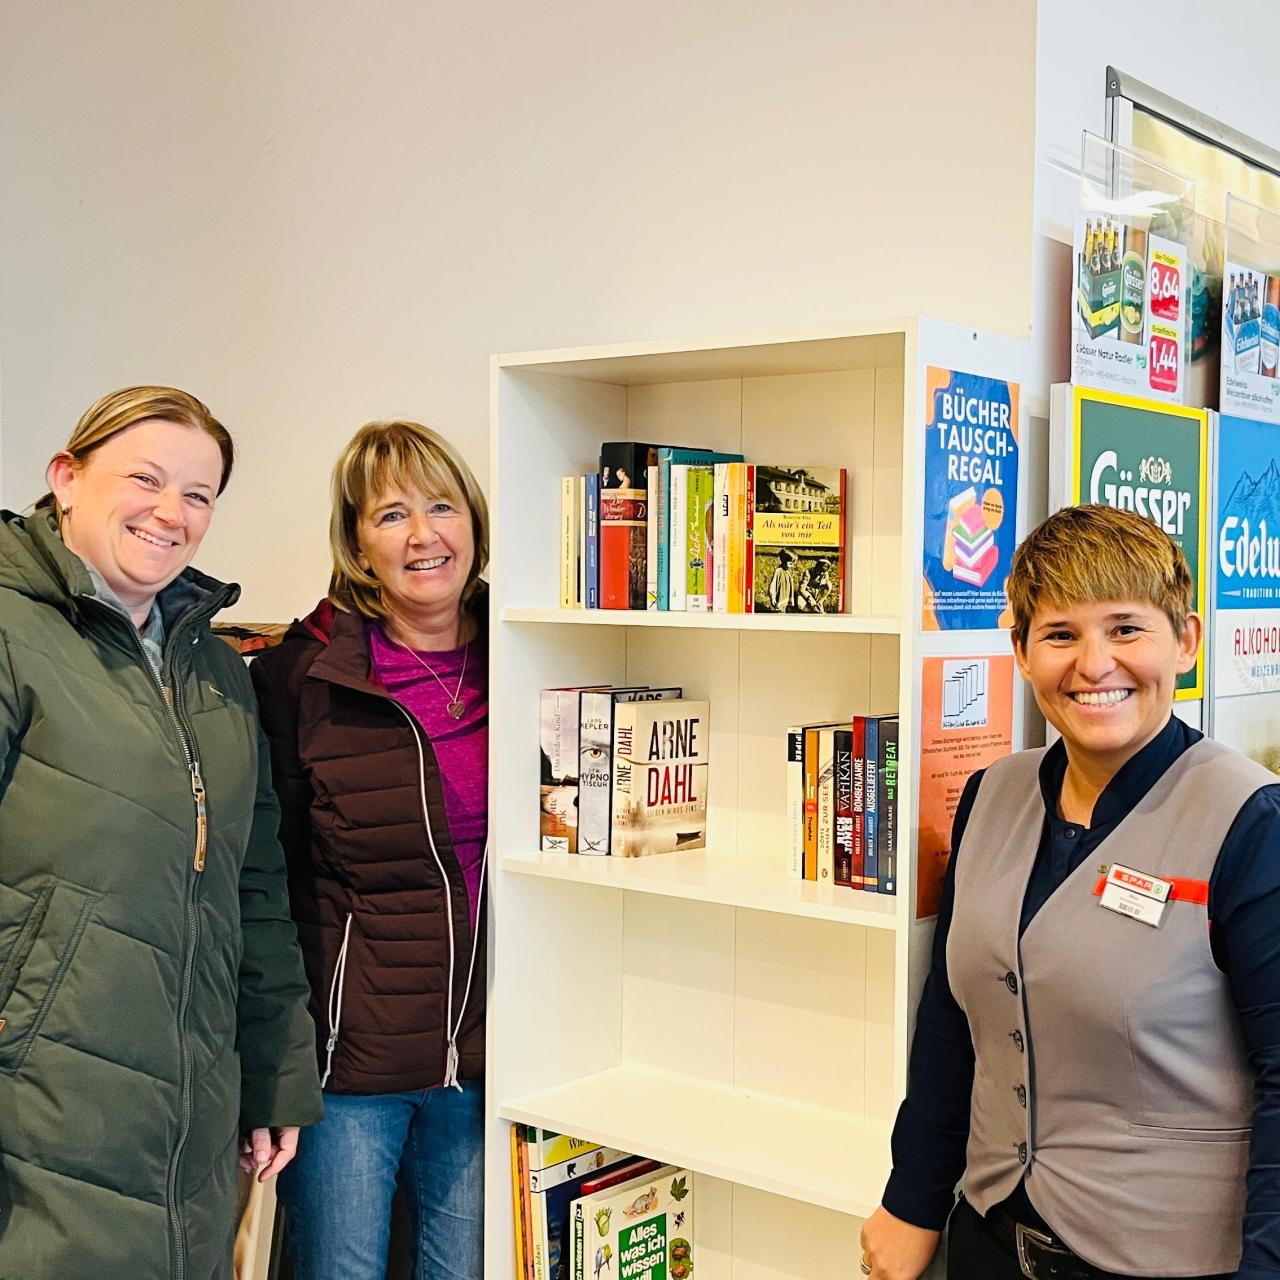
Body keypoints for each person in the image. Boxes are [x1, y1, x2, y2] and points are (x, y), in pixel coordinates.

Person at [860, 504, 1280, 1280]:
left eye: (1126, 629)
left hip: (1168, 1263)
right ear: (1020, 651)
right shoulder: (993, 792)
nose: (1093, 665)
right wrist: (913, 1198)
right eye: (1060, 635)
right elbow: (952, 1016)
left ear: (1184, 641)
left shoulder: (1249, 823)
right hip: (989, 1238)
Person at [0, 386, 322, 1279]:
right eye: (144, 478)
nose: (170, 512)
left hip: (194, 1114)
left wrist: (274, 1073)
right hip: (41, 1106)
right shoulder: (11, 634)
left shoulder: (217, 669)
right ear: (66, 478)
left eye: (198, 494)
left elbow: (255, 889)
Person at [252, 420, 489, 1280]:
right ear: (357, 543)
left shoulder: (532, 648)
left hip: (487, 1060)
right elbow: (263, 890)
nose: (424, 536)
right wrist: (272, 1069)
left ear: (475, 522)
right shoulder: (300, 678)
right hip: (348, 1073)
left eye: (441, 506)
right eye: (390, 516)